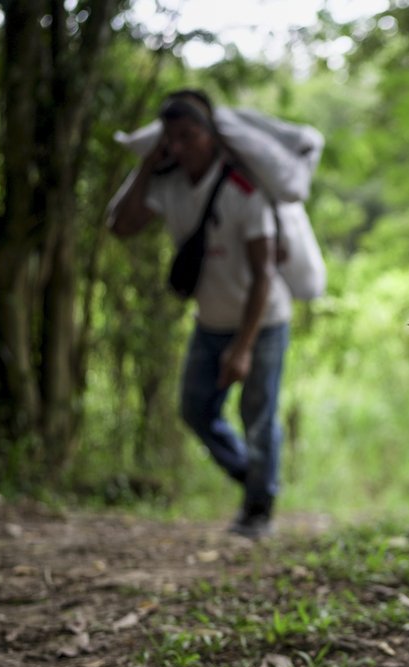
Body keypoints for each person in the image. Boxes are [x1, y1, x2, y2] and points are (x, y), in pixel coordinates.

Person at [108, 89, 291, 540]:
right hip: (209, 322)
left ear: (211, 137)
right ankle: (254, 479)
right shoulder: (168, 186)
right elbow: (121, 225)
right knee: (195, 409)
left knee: (258, 414)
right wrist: (147, 164)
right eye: (171, 139)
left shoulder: (241, 190)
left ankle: (258, 511)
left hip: (261, 322)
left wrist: (243, 348)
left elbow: (264, 273)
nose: (180, 147)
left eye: (189, 136)